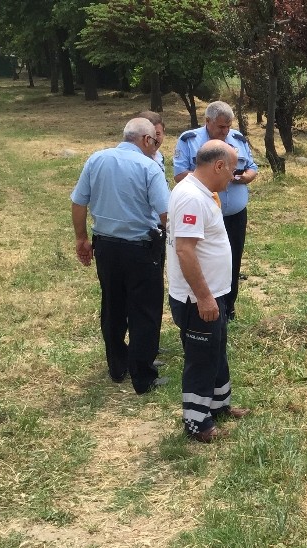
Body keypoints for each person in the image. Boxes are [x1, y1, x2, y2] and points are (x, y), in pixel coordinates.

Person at [70, 117, 170, 394]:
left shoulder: (97, 159)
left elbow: (79, 202)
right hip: (141, 248)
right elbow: (165, 214)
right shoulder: (149, 167)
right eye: (156, 141)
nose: (156, 146)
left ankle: (117, 366)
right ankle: (143, 375)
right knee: (145, 310)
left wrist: (82, 239)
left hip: (106, 248)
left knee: (112, 305)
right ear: (146, 140)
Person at [167, 140, 250, 443]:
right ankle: (197, 422)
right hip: (198, 298)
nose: (234, 175)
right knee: (201, 358)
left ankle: (219, 404)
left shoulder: (203, 193)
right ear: (218, 166)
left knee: (216, 350)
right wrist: (203, 296)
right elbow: (185, 252)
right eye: (233, 168)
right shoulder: (191, 197)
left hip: (215, 292)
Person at [173, 101, 258, 321]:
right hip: (205, 215)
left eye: (228, 126)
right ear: (207, 121)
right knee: (203, 258)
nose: (226, 131)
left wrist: (244, 176)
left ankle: (228, 307)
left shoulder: (237, 139)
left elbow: (252, 167)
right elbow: (180, 174)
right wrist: (210, 181)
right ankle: (204, 300)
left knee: (232, 258)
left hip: (235, 214)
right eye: (221, 127)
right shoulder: (190, 141)